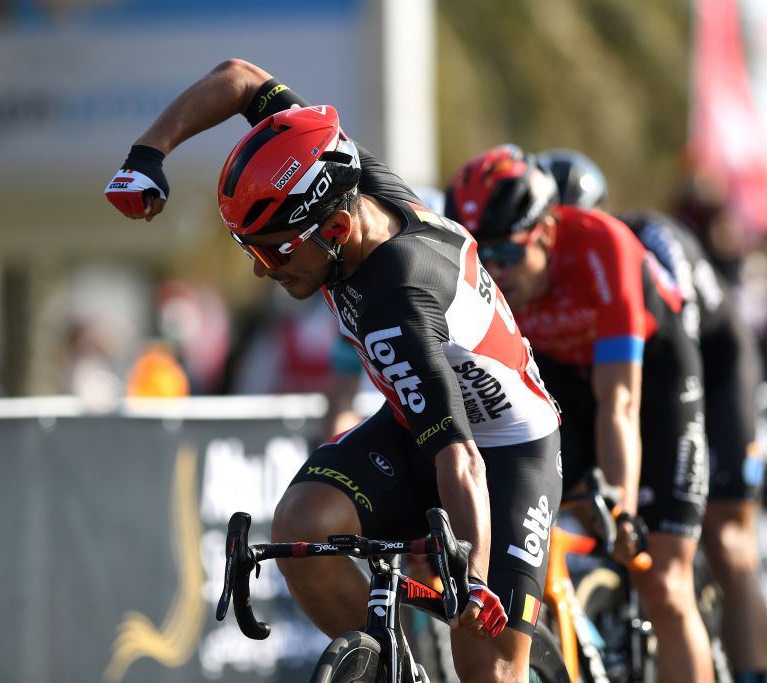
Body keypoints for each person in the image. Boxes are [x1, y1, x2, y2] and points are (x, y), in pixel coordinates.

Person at [103, 59, 563, 683]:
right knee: (301, 525)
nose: (263, 271)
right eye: (250, 249)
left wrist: (473, 581)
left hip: (508, 451)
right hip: (418, 426)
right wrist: (149, 153)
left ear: (338, 230)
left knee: (482, 657)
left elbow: (463, 462)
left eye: (271, 250)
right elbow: (240, 79)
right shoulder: (340, 173)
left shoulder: (393, 304)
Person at [445, 144, 714, 683]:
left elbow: (620, 402)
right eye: (482, 257)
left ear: (544, 231)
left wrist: (623, 509)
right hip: (566, 375)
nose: (494, 272)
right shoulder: (482, 277)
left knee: (663, 581)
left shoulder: (601, 245)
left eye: (508, 254)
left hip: (653, 374)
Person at [539, 148, 767, 682]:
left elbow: (667, 375)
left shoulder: (646, 246)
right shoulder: (543, 278)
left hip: (708, 372)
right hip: (620, 382)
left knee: (722, 542)